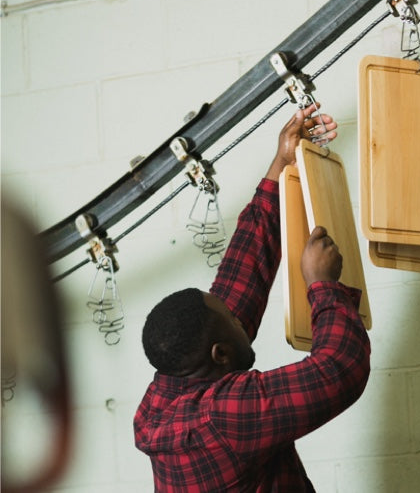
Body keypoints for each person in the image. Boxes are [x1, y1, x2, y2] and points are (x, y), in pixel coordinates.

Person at [134, 102, 371, 492]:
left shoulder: (164, 396)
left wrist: (281, 165)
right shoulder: (223, 417)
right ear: (220, 354)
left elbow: (238, 282)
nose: (236, 314)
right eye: (231, 321)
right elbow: (340, 370)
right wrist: (323, 285)